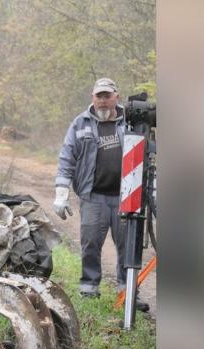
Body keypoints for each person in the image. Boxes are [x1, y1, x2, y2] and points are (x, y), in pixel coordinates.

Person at [52, 77, 148, 311]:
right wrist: (61, 192)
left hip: (127, 197)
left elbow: (151, 153)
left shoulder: (132, 121)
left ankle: (128, 294)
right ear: (92, 97)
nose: (103, 101)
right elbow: (67, 157)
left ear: (117, 96)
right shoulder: (80, 123)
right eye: (99, 96)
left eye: (107, 96)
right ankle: (89, 290)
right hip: (93, 197)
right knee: (91, 244)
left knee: (128, 245)